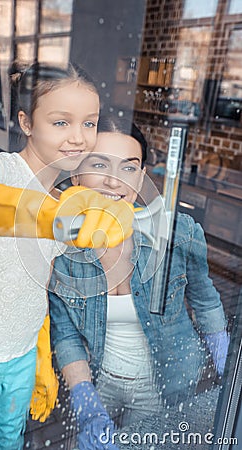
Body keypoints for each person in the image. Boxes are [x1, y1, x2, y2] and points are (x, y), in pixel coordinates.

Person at [0, 63, 135, 450]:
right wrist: (53, 218)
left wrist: (115, 217)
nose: (79, 138)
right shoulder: (0, 168)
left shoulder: (68, 197)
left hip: (22, 353)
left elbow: (107, 269)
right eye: (61, 122)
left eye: (89, 123)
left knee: (10, 442)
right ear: (26, 123)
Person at [48, 115, 230, 449]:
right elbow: (66, 331)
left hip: (164, 384)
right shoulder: (59, 245)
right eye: (99, 164)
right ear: (76, 173)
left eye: (129, 168)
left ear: (143, 176)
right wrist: (85, 400)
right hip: (98, 379)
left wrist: (228, 365)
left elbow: (206, 301)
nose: (114, 182)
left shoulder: (178, 231)